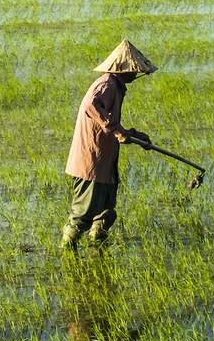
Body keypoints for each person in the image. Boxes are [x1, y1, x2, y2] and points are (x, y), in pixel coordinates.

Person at [61, 39, 157, 251]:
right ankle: (67, 252)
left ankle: (98, 248)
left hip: (105, 160)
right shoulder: (106, 85)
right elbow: (91, 105)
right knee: (82, 215)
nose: (136, 74)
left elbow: (113, 126)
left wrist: (134, 136)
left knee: (105, 212)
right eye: (134, 70)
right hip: (91, 162)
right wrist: (115, 130)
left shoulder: (117, 87)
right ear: (123, 70)